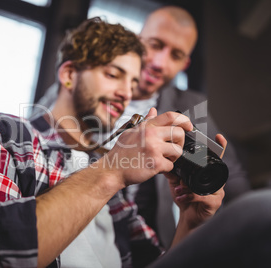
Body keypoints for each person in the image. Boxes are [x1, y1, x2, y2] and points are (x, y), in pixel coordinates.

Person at [0, 18, 226, 267]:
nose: (126, 93)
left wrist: (190, 222)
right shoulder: (5, 133)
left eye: (133, 84)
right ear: (70, 74)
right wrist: (112, 171)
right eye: (113, 74)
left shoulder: (114, 189)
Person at [33, 5, 250, 250]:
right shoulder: (71, 100)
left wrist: (199, 201)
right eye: (156, 45)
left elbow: (217, 169)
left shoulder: (187, 108)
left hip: (132, 235)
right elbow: (35, 143)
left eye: (175, 55)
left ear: (185, 64)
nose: (159, 63)